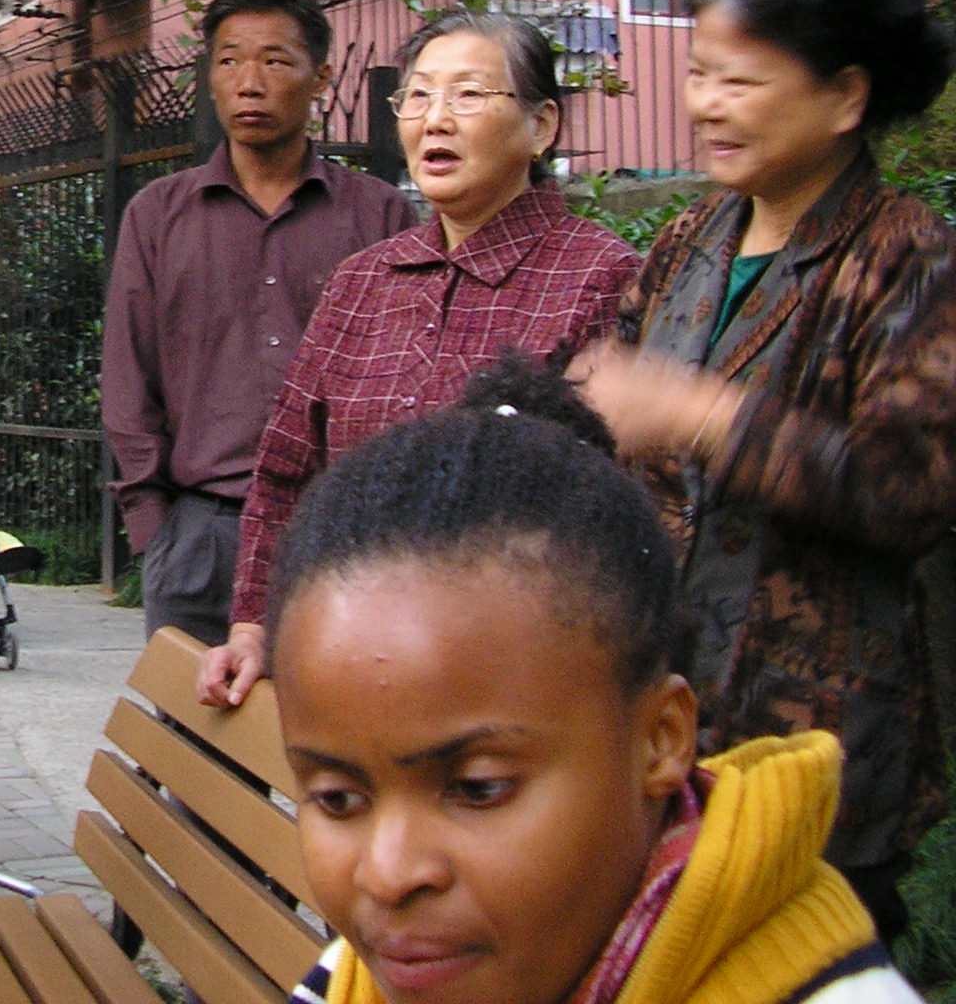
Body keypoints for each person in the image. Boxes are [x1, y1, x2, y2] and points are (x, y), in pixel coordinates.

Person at [268, 356, 921, 1004]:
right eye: (337, 800)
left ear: (663, 739)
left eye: (478, 787)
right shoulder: (367, 972)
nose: (387, 876)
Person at [572, 0, 956, 940]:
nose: (705, 106)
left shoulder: (908, 260)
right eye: (698, 75)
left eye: (738, 81)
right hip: (666, 721)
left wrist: (698, 413)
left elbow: (904, 490)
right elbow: (609, 402)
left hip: (817, 752)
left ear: (843, 95)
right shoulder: (691, 236)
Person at [201, 8, 641, 707]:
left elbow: (620, 508)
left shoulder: (601, 276)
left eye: (468, 95)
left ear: (543, 127)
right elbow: (285, 474)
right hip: (354, 665)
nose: (435, 119)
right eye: (418, 96)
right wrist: (253, 626)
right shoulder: (363, 280)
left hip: (517, 681)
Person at [102, 0, 413, 645]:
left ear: (320, 74)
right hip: (200, 536)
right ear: (209, 78)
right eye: (229, 59)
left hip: (337, 530)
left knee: (330, 741)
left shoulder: (380, 215)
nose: (250, 81)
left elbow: (402, 380)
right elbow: (129, 380)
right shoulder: (158, 216)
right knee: (189, 743)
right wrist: (154, 532)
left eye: (275, 60)